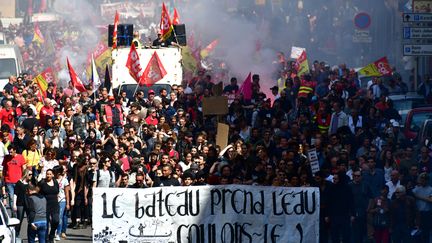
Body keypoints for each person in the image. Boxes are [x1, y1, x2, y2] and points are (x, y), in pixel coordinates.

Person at [2, 144, 26, 217]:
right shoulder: (6, 158)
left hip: (18, 182)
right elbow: (4, 169)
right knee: (12, 198)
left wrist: (22, 178)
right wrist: (3, 178)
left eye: (11, 152)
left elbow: (24, 168)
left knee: (19, 199)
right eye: (9, 152)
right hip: (9, 181)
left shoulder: (20, 157)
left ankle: (20, 214)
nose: (10, 153)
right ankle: (14, 215)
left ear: (15, 150)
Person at [38, 169, 59, 243]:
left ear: (53, 175)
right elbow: (38, 193)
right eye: (47, 174)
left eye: (50, 174)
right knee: (46, 223)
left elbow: (57, 192)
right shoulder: (42, 183)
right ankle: (46, 239)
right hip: (45, 205)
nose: (48, 175)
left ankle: (52, 235)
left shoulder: (55, 182)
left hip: (55, 204)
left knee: (56, 221)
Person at [412, 173, 432, 243]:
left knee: (426, 232)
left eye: (425, 180)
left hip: (427, 213)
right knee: (417, 232)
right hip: (418, 214)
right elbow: (411, 194)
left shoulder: (430, 189)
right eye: (422, 179)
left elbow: (430, 200)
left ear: (427, 180)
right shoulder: (416, 188)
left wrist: (418, 197)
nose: (423, 181)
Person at [13, 169, 32, 236]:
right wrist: (14, 204)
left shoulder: (31, 183)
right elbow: (15, 194)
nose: (31, 176)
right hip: (20, 204)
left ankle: (31, 235)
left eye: (31, 174)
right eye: (29, 174)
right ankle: (16, 234)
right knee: (19, 219)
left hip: (29, 204)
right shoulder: (19, 183)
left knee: (30, 220)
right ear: (25, 174)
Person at [53, 165, 70, 240]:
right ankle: (54, 230)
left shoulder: (65, 180)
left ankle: (58, 233)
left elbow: (67, 192)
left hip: (62, 200)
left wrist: (68, 203)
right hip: (53, 200)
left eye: (55, 172)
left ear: (59, 172)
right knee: (53, 217)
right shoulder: (52, 180)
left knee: (59, 217)